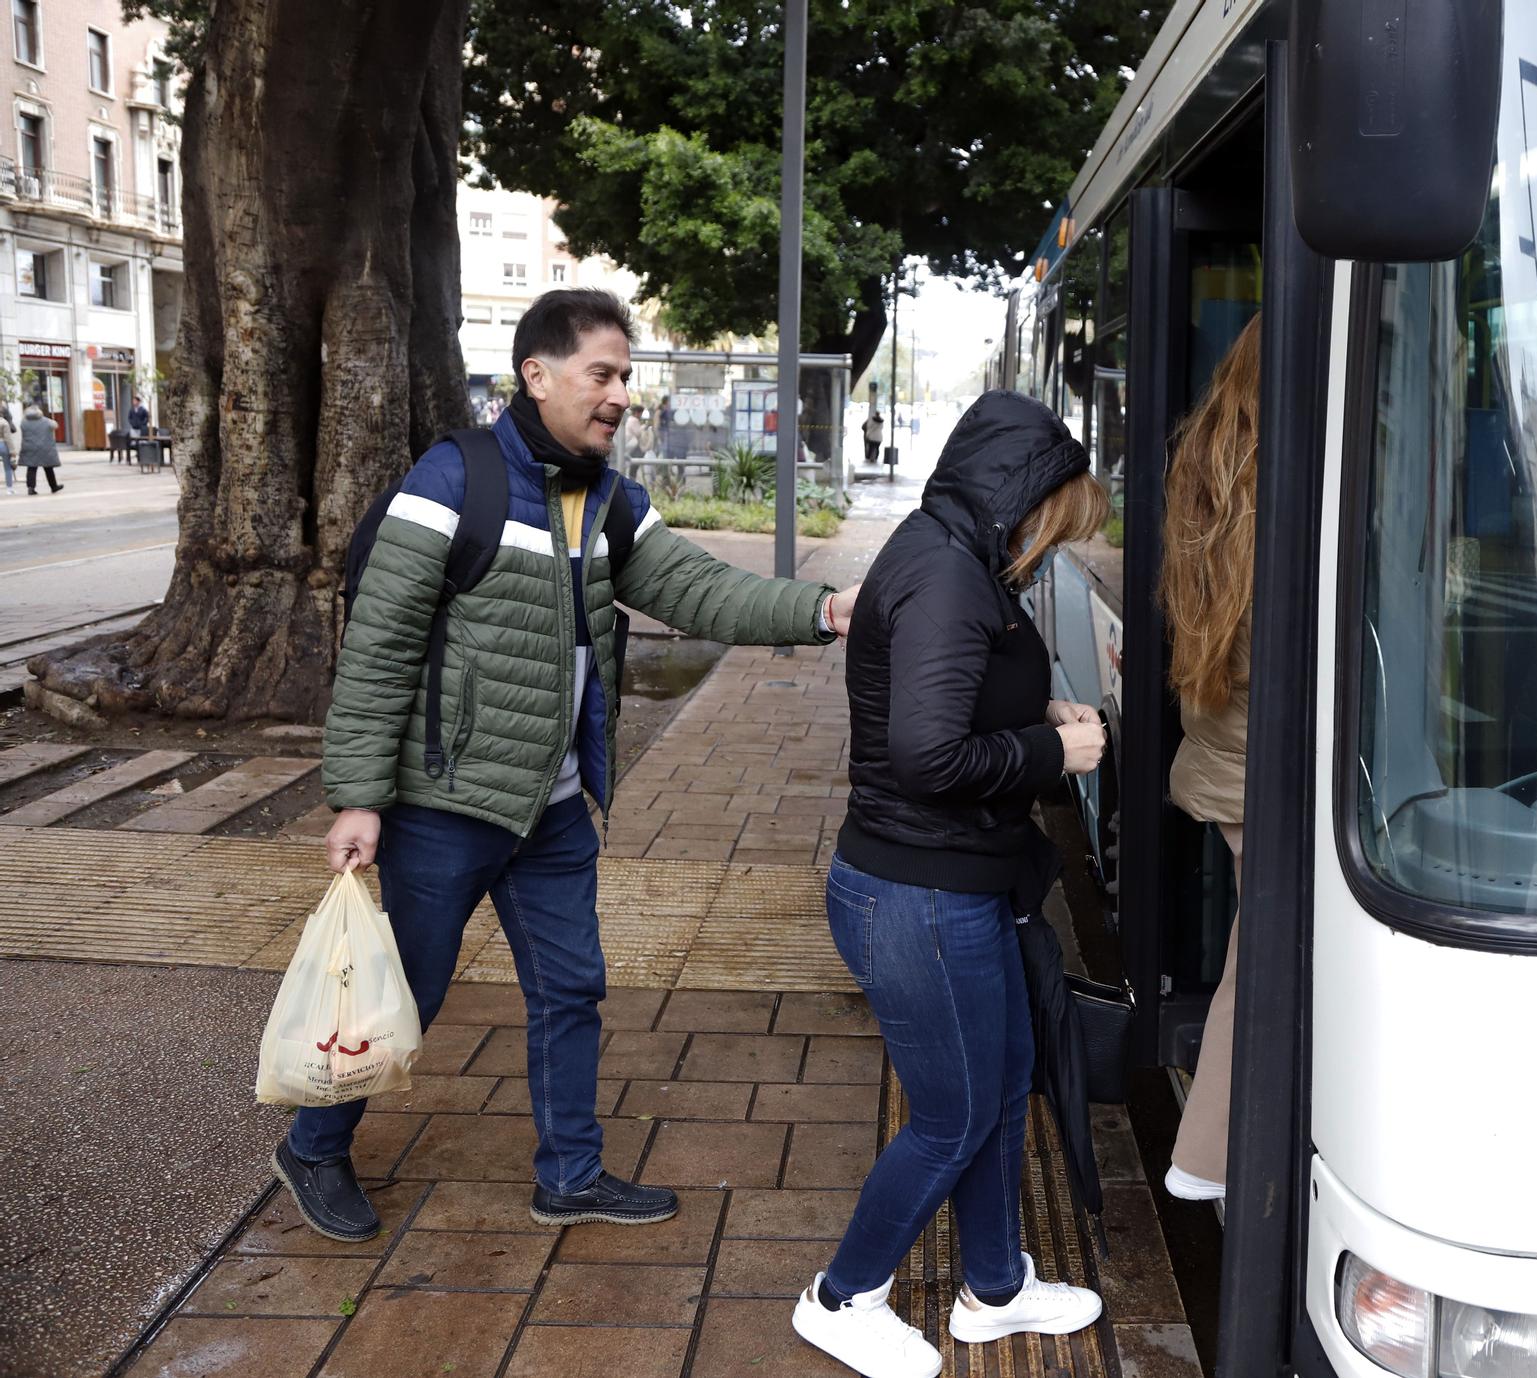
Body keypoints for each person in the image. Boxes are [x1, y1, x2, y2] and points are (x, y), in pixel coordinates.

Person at [281, 289, 861, 1244]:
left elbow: (693, 588)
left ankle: (572, 1176)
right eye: (603, 373)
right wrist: (356, 797)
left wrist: (825, 612)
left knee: (571, 987)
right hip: (446, 802)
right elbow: (379, 643)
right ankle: (313, 1146)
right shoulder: (451, 479)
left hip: (551, 810)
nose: (620, 394)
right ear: (537, 375)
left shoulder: (607, 498)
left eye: (627, 376)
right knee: (406, 995)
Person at [792, 390, 1109, 1378]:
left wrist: (1032, 708)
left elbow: (954, 701)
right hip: (917, 897)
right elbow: (929, 755)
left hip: (941, 885)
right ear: (1022, 496)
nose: (1054, 545)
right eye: (1058, 524)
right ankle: (841, 1296)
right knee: (953, 1114)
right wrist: (1051, 751)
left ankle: (996, 1286)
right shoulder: (943, 576)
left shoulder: (952, 554)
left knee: (1000, 1081)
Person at [1155, 316, 1259, 1203]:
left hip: (1226, 754)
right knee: (1263, 962)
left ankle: (1212, 1155)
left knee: (1255, 949)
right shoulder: (1280, 486)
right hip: (1257, 766)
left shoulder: (1211, 467)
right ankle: (1207, 1158)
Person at [18, 405, 61, 494]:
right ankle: (54, 486)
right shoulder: (46, 421)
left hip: (29, 447)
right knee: (48, 468)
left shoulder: (24, 422)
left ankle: (31, 488)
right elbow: (55, 425)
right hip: (45, 448)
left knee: (31, 468)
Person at [0, 404, 18, 494]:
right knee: (7, 468)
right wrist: (12, 451)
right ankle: (9, 489)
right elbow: (8, 438)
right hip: (3, 444)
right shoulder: (4, 422)